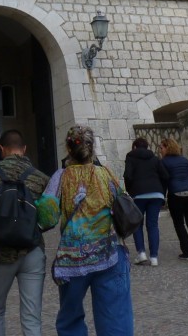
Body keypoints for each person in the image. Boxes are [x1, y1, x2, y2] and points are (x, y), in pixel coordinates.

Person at [37, 125, 134, 336]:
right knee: (115, 318)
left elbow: (47, 218)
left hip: (73, 258)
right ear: (92, 148)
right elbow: (124, 204)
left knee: (70, 320)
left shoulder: (60, 177)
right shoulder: (106, 174)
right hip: (110, 252)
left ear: (68, 149)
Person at [0, 129, 50, 336]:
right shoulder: (40, 178)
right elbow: (50, 216)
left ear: (1, 149)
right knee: (32, 317)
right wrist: (36, 229)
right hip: (31, 250)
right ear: (24, 149)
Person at [159, 137, 188, 261]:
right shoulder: (185, 160)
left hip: (176, 194)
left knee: (179, 224)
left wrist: (162, 197)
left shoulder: (164, 162)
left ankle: (187, 252)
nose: (160, 150)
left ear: (167, 148)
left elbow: (164, 181)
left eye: (161, 148)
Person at [123, 137, 169, 266]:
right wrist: (162, 192)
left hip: (138, 195)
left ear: (135, 147)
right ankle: (154, 257)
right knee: (153, 225)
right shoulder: (154, 158)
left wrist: (130, 192)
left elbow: (128, 175)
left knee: (137, 224)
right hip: (156, 194)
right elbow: (165, 176)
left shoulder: (131, 157)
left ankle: (141, 253)